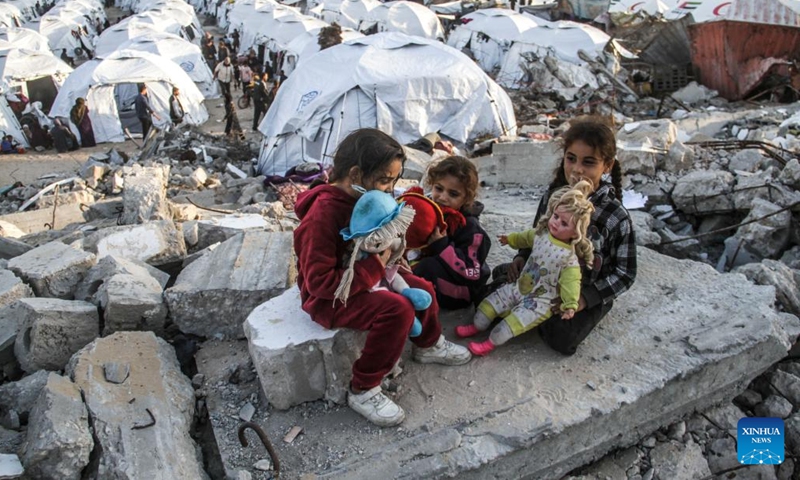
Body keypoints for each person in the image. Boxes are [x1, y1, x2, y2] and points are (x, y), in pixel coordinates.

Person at [293, 128, 471, 427]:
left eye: (393, 181)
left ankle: (428, 345)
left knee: (421, 286)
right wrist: (378, 266)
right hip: (330, 299)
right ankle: (363, 388)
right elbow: (320, 283)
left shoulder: (365, 200)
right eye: (385, 180)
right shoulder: (323, 215)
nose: (390, 190)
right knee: (397, 310)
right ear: (355, 174)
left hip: (365, 278)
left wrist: (391, 259)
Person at [489, 117, 637, 355]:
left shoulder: (614, 216)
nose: (577, 169)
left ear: (607, 166)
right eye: (571, 159)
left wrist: (586, 299)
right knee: (491, 297)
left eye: (588, 163)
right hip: (542, 276)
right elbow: (537, 234)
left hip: (582, 288)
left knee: (561, 338)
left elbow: (625, 273)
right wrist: (521, 256)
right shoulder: (554, 197)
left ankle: (567, 310)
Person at [457, 181, 596, 356]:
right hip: (519, 286)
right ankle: (476, 327)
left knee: (511, 325)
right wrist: (511, 239)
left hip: (539, 301)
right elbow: (525, 238)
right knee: (489, 304)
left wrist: (570, 304)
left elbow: (571, 283)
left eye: (564, 223)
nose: (556, 223)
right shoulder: (541, 234)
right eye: (555, 216)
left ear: (576, 232)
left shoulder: (569, 259)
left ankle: (489, 344)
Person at [408, 156, 491, 310]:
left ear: (466, 198)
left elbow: (471, 273)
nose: (443, 198)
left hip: (462, 290)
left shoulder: (471, 229)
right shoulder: (430, 210)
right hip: (438, 272)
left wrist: (442, 246)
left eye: (453, 194)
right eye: (438, 189)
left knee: (427, 267)